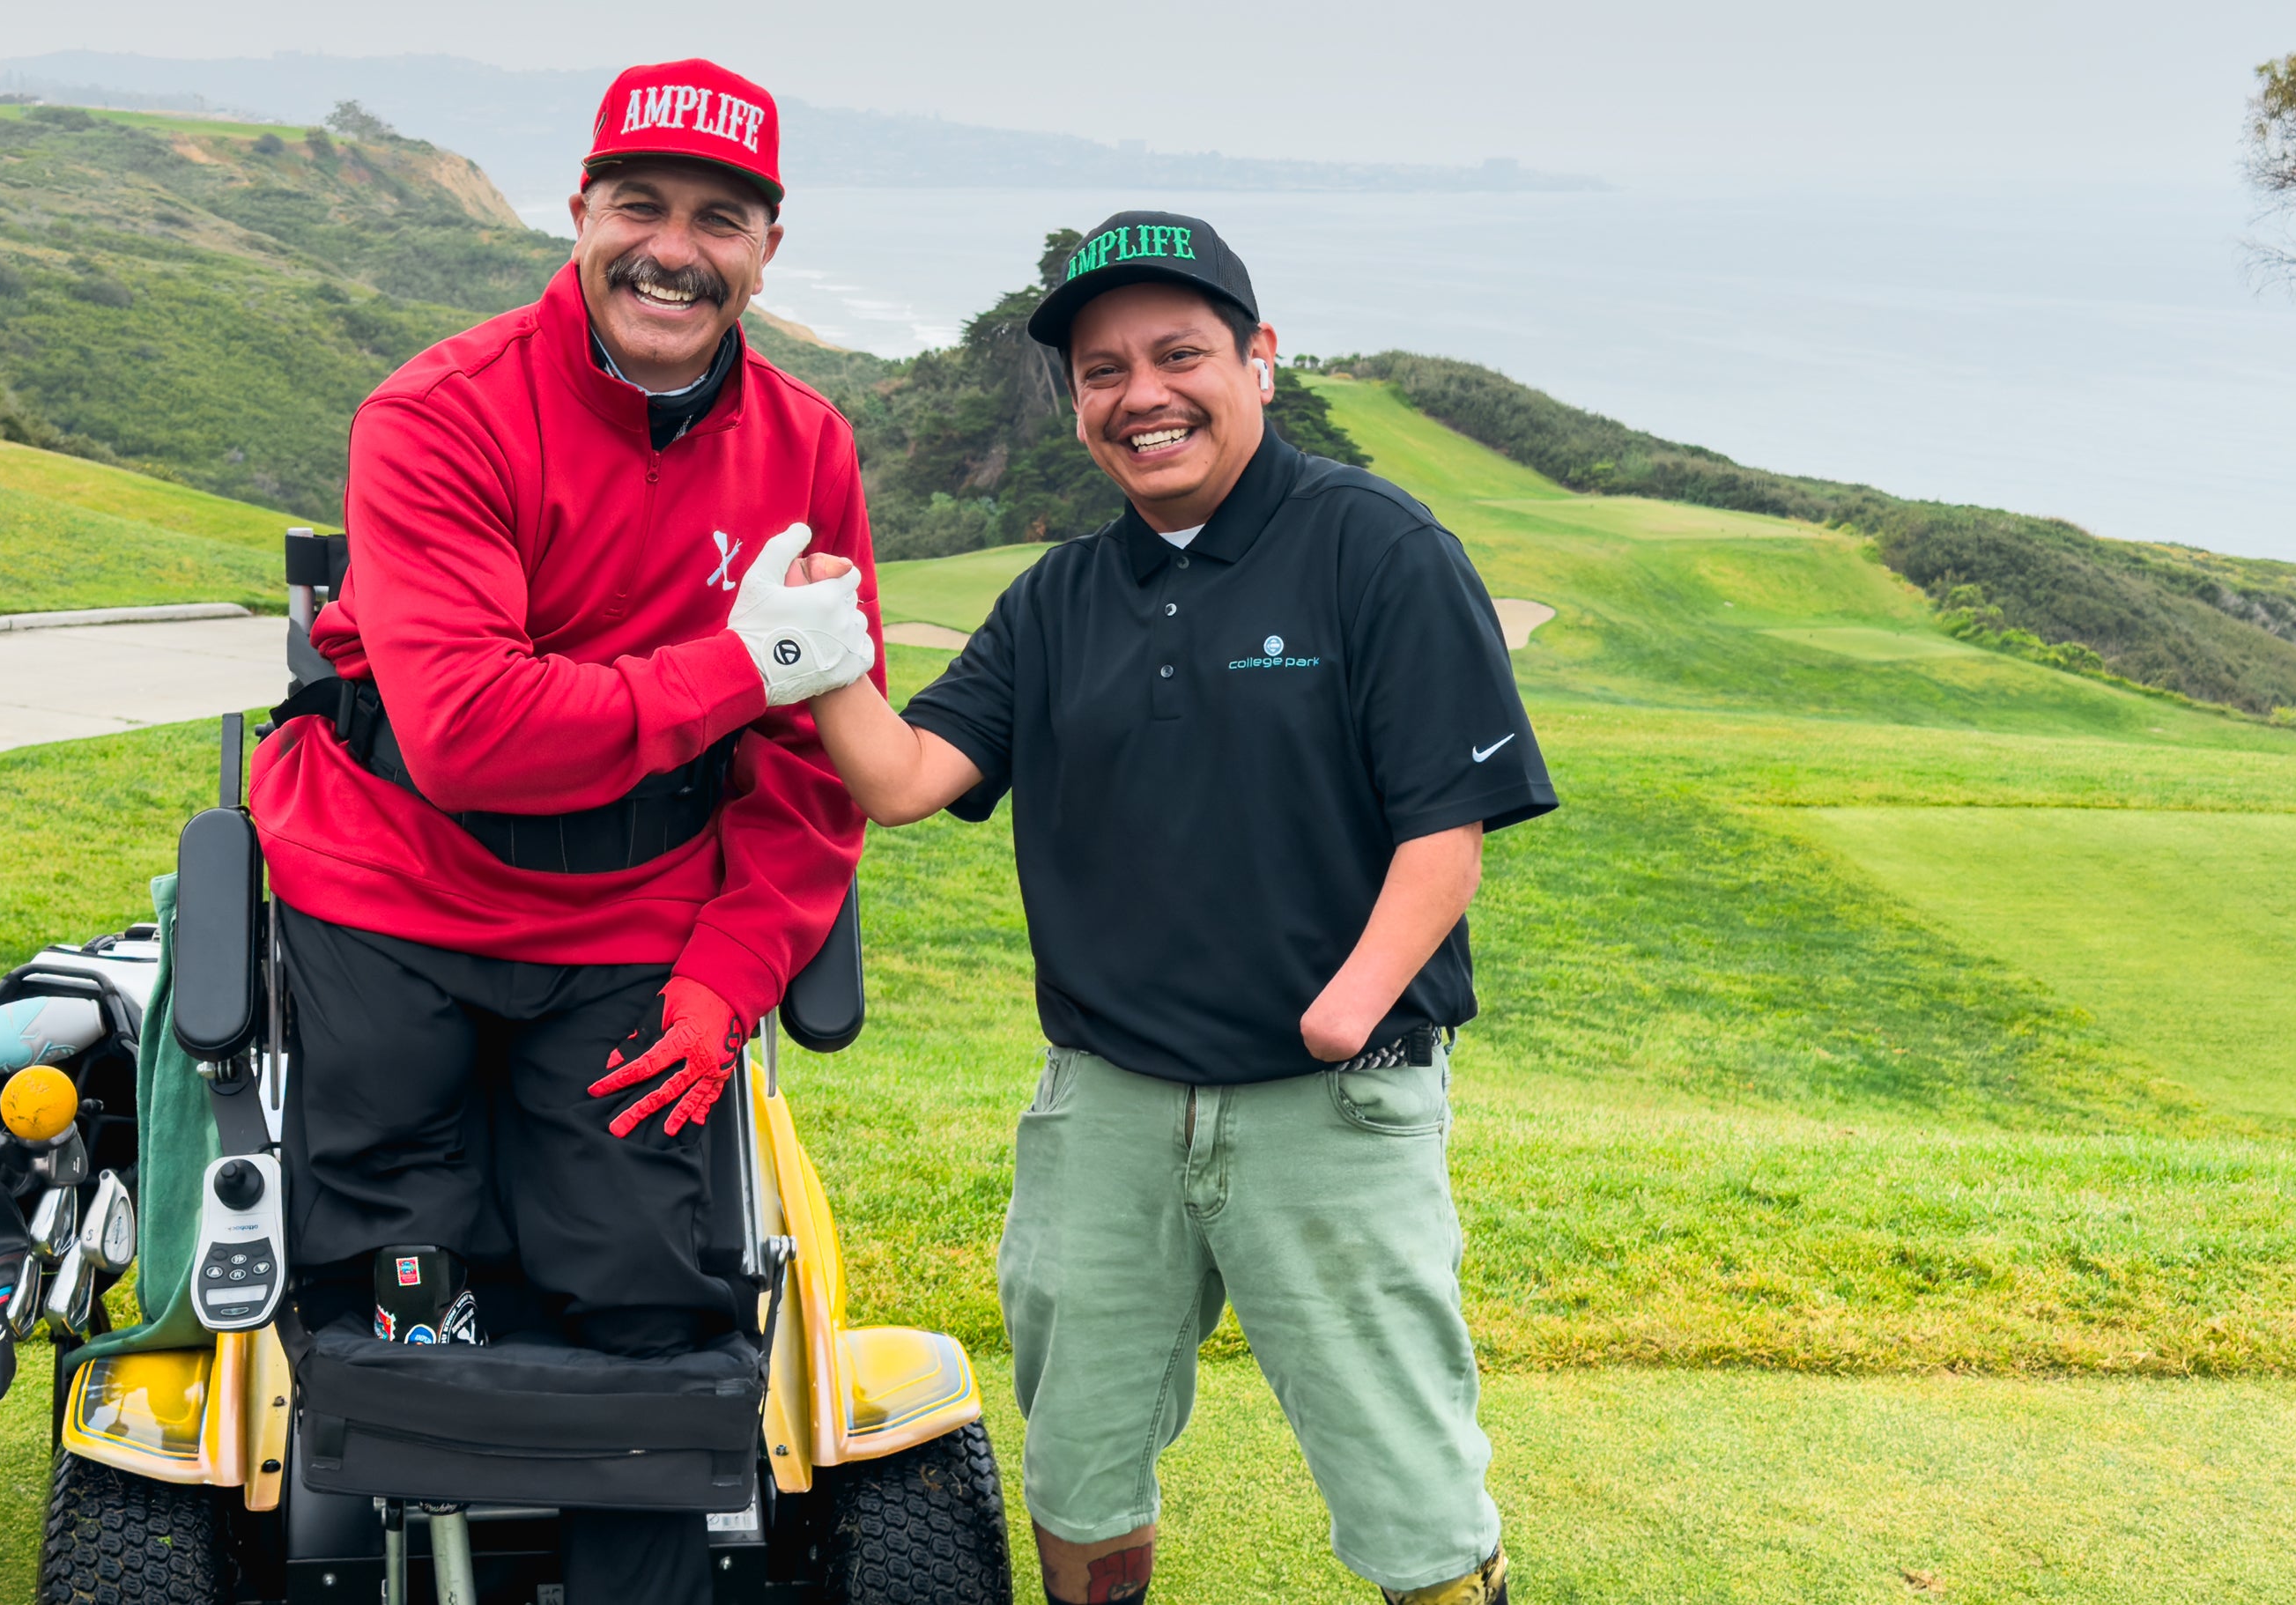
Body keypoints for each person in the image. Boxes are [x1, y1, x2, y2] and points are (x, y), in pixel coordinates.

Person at [802, 211, 1554, 1605]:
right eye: (1102, 370)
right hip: (1108, 1109)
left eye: (1178, 353)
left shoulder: (1379, 549)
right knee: (1078, 1463)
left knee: (1409, 1486)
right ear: (1078, 403)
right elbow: (905, 779)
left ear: (1258, 358)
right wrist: (820, 660)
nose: (1141, 394)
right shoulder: (1059, 598)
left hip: (1331, 1105)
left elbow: (1444, 834)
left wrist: (1340, 1015)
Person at [243, 56, 881, 1603]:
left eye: (718, 218)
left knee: (650, 1311)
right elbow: (466, 732)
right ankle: (413, 1546)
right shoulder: (437, 413)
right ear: (581, 210)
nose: (674, 247)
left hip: (634, 927)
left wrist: (728, 973)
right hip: (387, 895)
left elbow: (811, 771)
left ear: (766, 250)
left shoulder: (808, 450)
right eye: (641, 205)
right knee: (411, 1290)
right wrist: (741, 662)